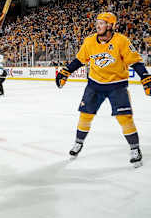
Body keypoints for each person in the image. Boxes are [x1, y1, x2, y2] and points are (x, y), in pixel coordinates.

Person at [56, 12, 150, 168]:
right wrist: (66, 71)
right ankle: (78, 143)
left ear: (111, 25)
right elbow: (80, 59)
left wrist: (146, 78)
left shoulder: (122, 41)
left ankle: (135, 149)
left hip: (117, 84)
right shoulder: (89, 41)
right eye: (97, 22)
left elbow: (135, 61)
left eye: (101, 23)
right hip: (95, 85)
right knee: (85, 116)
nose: (97, 25)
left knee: (124, 118)